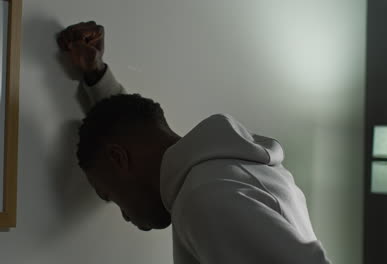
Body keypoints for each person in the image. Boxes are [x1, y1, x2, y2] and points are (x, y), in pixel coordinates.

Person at [57, 21, 331, 264]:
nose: (127, 217)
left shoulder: (206, 197)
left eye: (110, 197)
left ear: (118, 159)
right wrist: (97, 75)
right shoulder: (228, 170)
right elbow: (128, 127)